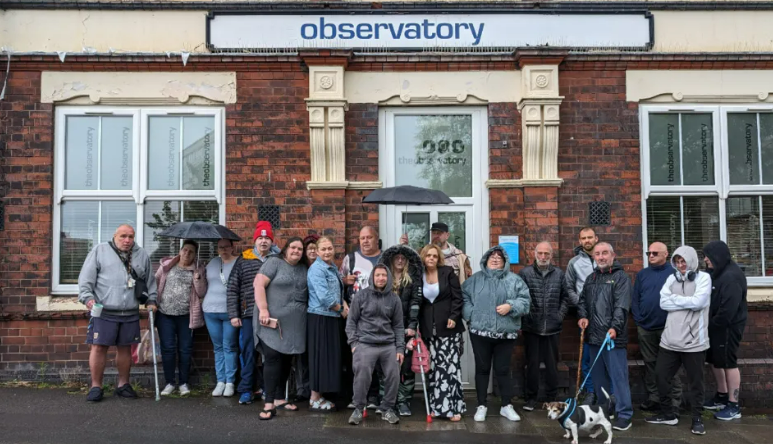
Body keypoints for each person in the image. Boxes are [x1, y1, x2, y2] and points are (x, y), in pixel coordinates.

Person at [79, 224, 157, 402]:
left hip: (130, 311)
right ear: (115, 236)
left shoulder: (141, 254)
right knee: (99, 347)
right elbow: (86, 278)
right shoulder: (100, 251)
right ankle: (96, 386)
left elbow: (150, 281)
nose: (127, 240)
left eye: (131, 236)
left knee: (125, 348)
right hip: (104, 310)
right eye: (123, 236)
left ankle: (123, 385)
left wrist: (151, 300)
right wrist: (87, 298)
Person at [645, 246, 711, 435]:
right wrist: (687, 301)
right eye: (677, 261)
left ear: (691, 260)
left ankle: (697, 418)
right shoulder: (671, 278)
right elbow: (663, 303)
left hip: (694, 343)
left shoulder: (704, 278)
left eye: (684, 261)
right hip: (670, 340)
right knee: (661, 376)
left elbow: (699, 303)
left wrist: (676, 300)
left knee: (696, 382)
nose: (681, 265)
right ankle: (668, 415)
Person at [463, 246, 530, 422]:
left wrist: (511, 306)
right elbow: (463, 298)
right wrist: (471, 314)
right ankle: (481, 405)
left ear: (505, 261)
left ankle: (506, 405)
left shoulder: (514, 280)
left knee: (503, 369)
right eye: (491, 256)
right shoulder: (475, 280)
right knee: (482, 369)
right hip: (479, 332)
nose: (495, 259)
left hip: (505, 334)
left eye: (499, 257)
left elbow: (525, 301)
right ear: (485, 260)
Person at [577, 242, 633, 431]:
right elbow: (582, 301)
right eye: (597, 254)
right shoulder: (591, 278)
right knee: (599, 379)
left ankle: (625, 414)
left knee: (618, 378)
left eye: (605, 253)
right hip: (593, 338)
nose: (601, 257)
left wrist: (615, 327)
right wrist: (583, 316)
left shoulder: (621, 277)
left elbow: (622, 306)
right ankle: (603, 412)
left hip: (612, 339)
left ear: (612, 255)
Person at [254, 237, 309, 420]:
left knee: (286, 360)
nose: (296, 251)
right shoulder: (274, 262)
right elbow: (259, 284)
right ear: (285, 249)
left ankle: (279, 398)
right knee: (272, 358)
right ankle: (269, 404)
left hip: (294, 325)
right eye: (293, 247)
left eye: (300, 249)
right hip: (271, 321)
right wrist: (263, 309)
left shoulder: (303, 268)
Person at [227, 221, 279, 405]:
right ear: (255, 240)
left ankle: (268, 389)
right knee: (248, 351)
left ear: (272, 241)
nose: (263, 241)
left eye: (267, 238)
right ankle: (246, 389)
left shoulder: (278, 259)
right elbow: (233, 288)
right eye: (260, 238)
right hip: (249, 313)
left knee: (270, 354)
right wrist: (234, 314)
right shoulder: (244, 259)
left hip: (273, 314)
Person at [346, 265, 405, 426]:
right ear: (372, 277)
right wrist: (354, 344)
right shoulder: (361, 296)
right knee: (362, 375)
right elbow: (351, 322)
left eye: (384, 275)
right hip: (365, 343)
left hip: (388, 344)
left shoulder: (394, 299)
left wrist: (400, 348)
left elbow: (398, 326)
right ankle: (358, 408)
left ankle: (387, 409)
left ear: (388, 278)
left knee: (393, 374)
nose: (381, 278)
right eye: (377, 275)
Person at [518, 241, 570, 411]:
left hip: (552, 327)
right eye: (540, 253)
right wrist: (526, 317)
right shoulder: (525, 273)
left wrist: (559, 316)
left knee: (551, 365)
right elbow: (520, 297)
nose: (543, 256)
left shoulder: (559, 274)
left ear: (551, 255)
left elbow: (566, 297)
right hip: (531, 327)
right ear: (534, 254)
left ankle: (551, 398)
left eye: (546, 253)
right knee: (531, 364)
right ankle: (531, 398)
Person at [632, 242, 682, 412]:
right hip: (645, 328)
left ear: (666, 254)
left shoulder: (675, 274)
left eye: (655, 253)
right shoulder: (642, 274)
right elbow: (635, 299)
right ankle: (654, 397)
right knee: (650, 364)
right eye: (648, 253)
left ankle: (674, 401)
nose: (651, 256)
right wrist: (639, 319)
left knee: (670, 365)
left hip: (668, 329)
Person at [419, 243, 466, 421]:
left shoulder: (447, 272)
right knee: (434, 369)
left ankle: (453, 408)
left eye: (434, 256)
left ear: (439, 258)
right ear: (423, 257)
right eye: (428, 255)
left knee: (449, 369)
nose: (431, 258)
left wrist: (454, 316)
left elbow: (458, 297)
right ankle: (436, 407)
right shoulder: (419, 275)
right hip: (429, 330)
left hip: (449, 327)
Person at [702, 240, 748, 421]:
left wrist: (712, 323)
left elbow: (728, 310)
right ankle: (721, 395)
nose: (705, 260)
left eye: (708, 256)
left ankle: (734, 405)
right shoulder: (717, 273)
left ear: (718, 256)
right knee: (715, 359)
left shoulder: (731, 277)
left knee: (728, 362)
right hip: (715, 326)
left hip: (728, 327)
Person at [154, 240, 207, 396]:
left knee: (185, 349)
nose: (187, 253)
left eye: (191, 251)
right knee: (168, 349)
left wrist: (198, 278)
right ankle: (169, 382)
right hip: (165, 314)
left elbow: (202, 292)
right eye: (184, 250)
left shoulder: (197, 270)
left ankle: (183, 382)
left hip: (186, 316)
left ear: (195, 254)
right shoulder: (167, 266)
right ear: (180, 250)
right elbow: (155, 284)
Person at [378, 244, 423, 416]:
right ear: (390, 260)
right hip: (385, 329)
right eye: (396, 257)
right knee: (384, 366)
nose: (399, 260)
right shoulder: (383, 279)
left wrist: (412, 326)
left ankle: (404, 401)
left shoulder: (412, 280)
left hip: (406, 329)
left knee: (406, 368)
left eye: (403, 258)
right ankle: (387, 400)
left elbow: (415, 303)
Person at [340, 226, 383, 408]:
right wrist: (343, 281)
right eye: (362, 238)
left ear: (376, 239)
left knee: (376, 358)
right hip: (355, 316)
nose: (365, 241)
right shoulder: (350, 259)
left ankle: (373, 396)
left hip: (379, 315)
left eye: (369, 237)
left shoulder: (385, 259)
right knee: (356, 357)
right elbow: (337, 283)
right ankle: (356, 397)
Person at [306, 237, 346, 411]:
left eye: (330, 248)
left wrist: (343, 303)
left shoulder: (332, 267)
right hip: (320, 317)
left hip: (331, 317)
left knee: (327, 357)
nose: (327, 252)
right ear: (317, 251)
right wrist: (341, 309)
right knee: (319, 357)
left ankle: (321, 395)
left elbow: (336, 291)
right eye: (323, 249)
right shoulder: (317, 269)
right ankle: (314, 397)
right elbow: (324, 297)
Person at [565, 226, 599, 405]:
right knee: (586, 356)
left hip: (605, 317)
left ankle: (606, 394)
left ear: (596, 238)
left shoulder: (605, 257)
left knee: (603, 356)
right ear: (580, 241)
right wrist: (580, 303)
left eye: (590, 237)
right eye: (583, 238)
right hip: (584, 316)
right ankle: (590, 392)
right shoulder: (574, 263)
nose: (587, 240)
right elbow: (569, 287)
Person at [203, 239, 239, 397]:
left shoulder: (239, 263)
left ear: (232, 247)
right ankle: (220, 381)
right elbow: (203, 285)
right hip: (210, 310)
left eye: (226, 247)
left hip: (229, 311)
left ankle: (230, 382)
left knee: (229, 347)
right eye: (220, 247)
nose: (223, 250)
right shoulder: (212, 263)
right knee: (218, 348)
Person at [294, 233, 321, 402]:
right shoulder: (300, 268)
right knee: (301, 353)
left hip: (317, 315)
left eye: (314, 248)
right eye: (309, 248)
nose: (311, 251)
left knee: (316, 353)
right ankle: (302, 388)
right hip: (300, 315)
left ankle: (316, 387)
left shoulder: (324, 266)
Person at [402, 222, 472, 283]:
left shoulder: (460, 257)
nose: (436, 236)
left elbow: (468, 280)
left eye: (439, 233)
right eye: (434, 233)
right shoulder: (421, 253)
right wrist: (403, 246)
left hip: (452, 296)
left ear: (447, 235)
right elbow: (406, 266)